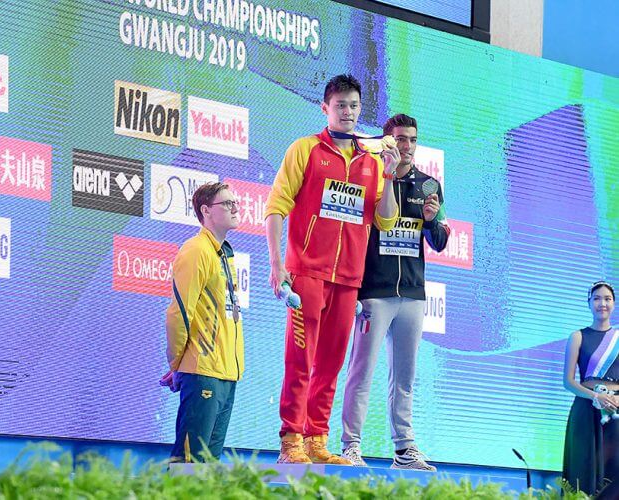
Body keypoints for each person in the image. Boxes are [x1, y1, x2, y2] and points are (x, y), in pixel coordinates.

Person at [264, 74, 400, 464]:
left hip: (348, 280)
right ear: (325, 108)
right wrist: (277, 265)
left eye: (354, 106)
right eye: (340, 105)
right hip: (306, 273)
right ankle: (291, 439)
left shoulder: (372, 161)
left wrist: (389, 175)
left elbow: (386, 221)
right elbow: (276, 209)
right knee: (300, 360)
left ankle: (317, 439)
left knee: (331, 363)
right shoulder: (305, 149)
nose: (348, 112)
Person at [341, 114, 448, 471]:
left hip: (413, 296)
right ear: (387, 141)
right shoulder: (369, 178)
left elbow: (440, 241)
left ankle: (404, 449)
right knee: (361, 372)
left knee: (405, 377)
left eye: (412, 140)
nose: (406, 146)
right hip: (374, 292)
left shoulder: (429, 186)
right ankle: (350, 446)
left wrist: (432, 219)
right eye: (400, 139)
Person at [161, 182, 244, 462]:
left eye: (235, 202)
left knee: (208, 466)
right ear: (206, 211)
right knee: (189, 462)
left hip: (226, 374)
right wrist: (178, 366)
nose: (235, 208)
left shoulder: (223, 254)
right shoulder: (196, 249)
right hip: (202, 371)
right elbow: (179, 314)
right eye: (227, 204)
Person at [563, 281, 619, 494]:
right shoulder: (577, 336)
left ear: (613, 303)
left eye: (607, 299)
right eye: (596, 299)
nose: (602, 303)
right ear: (588, 303)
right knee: (583, 469)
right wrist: (595, 397)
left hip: (615, 411)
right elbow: (568, 382)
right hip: (585, 411)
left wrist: (615, 400)